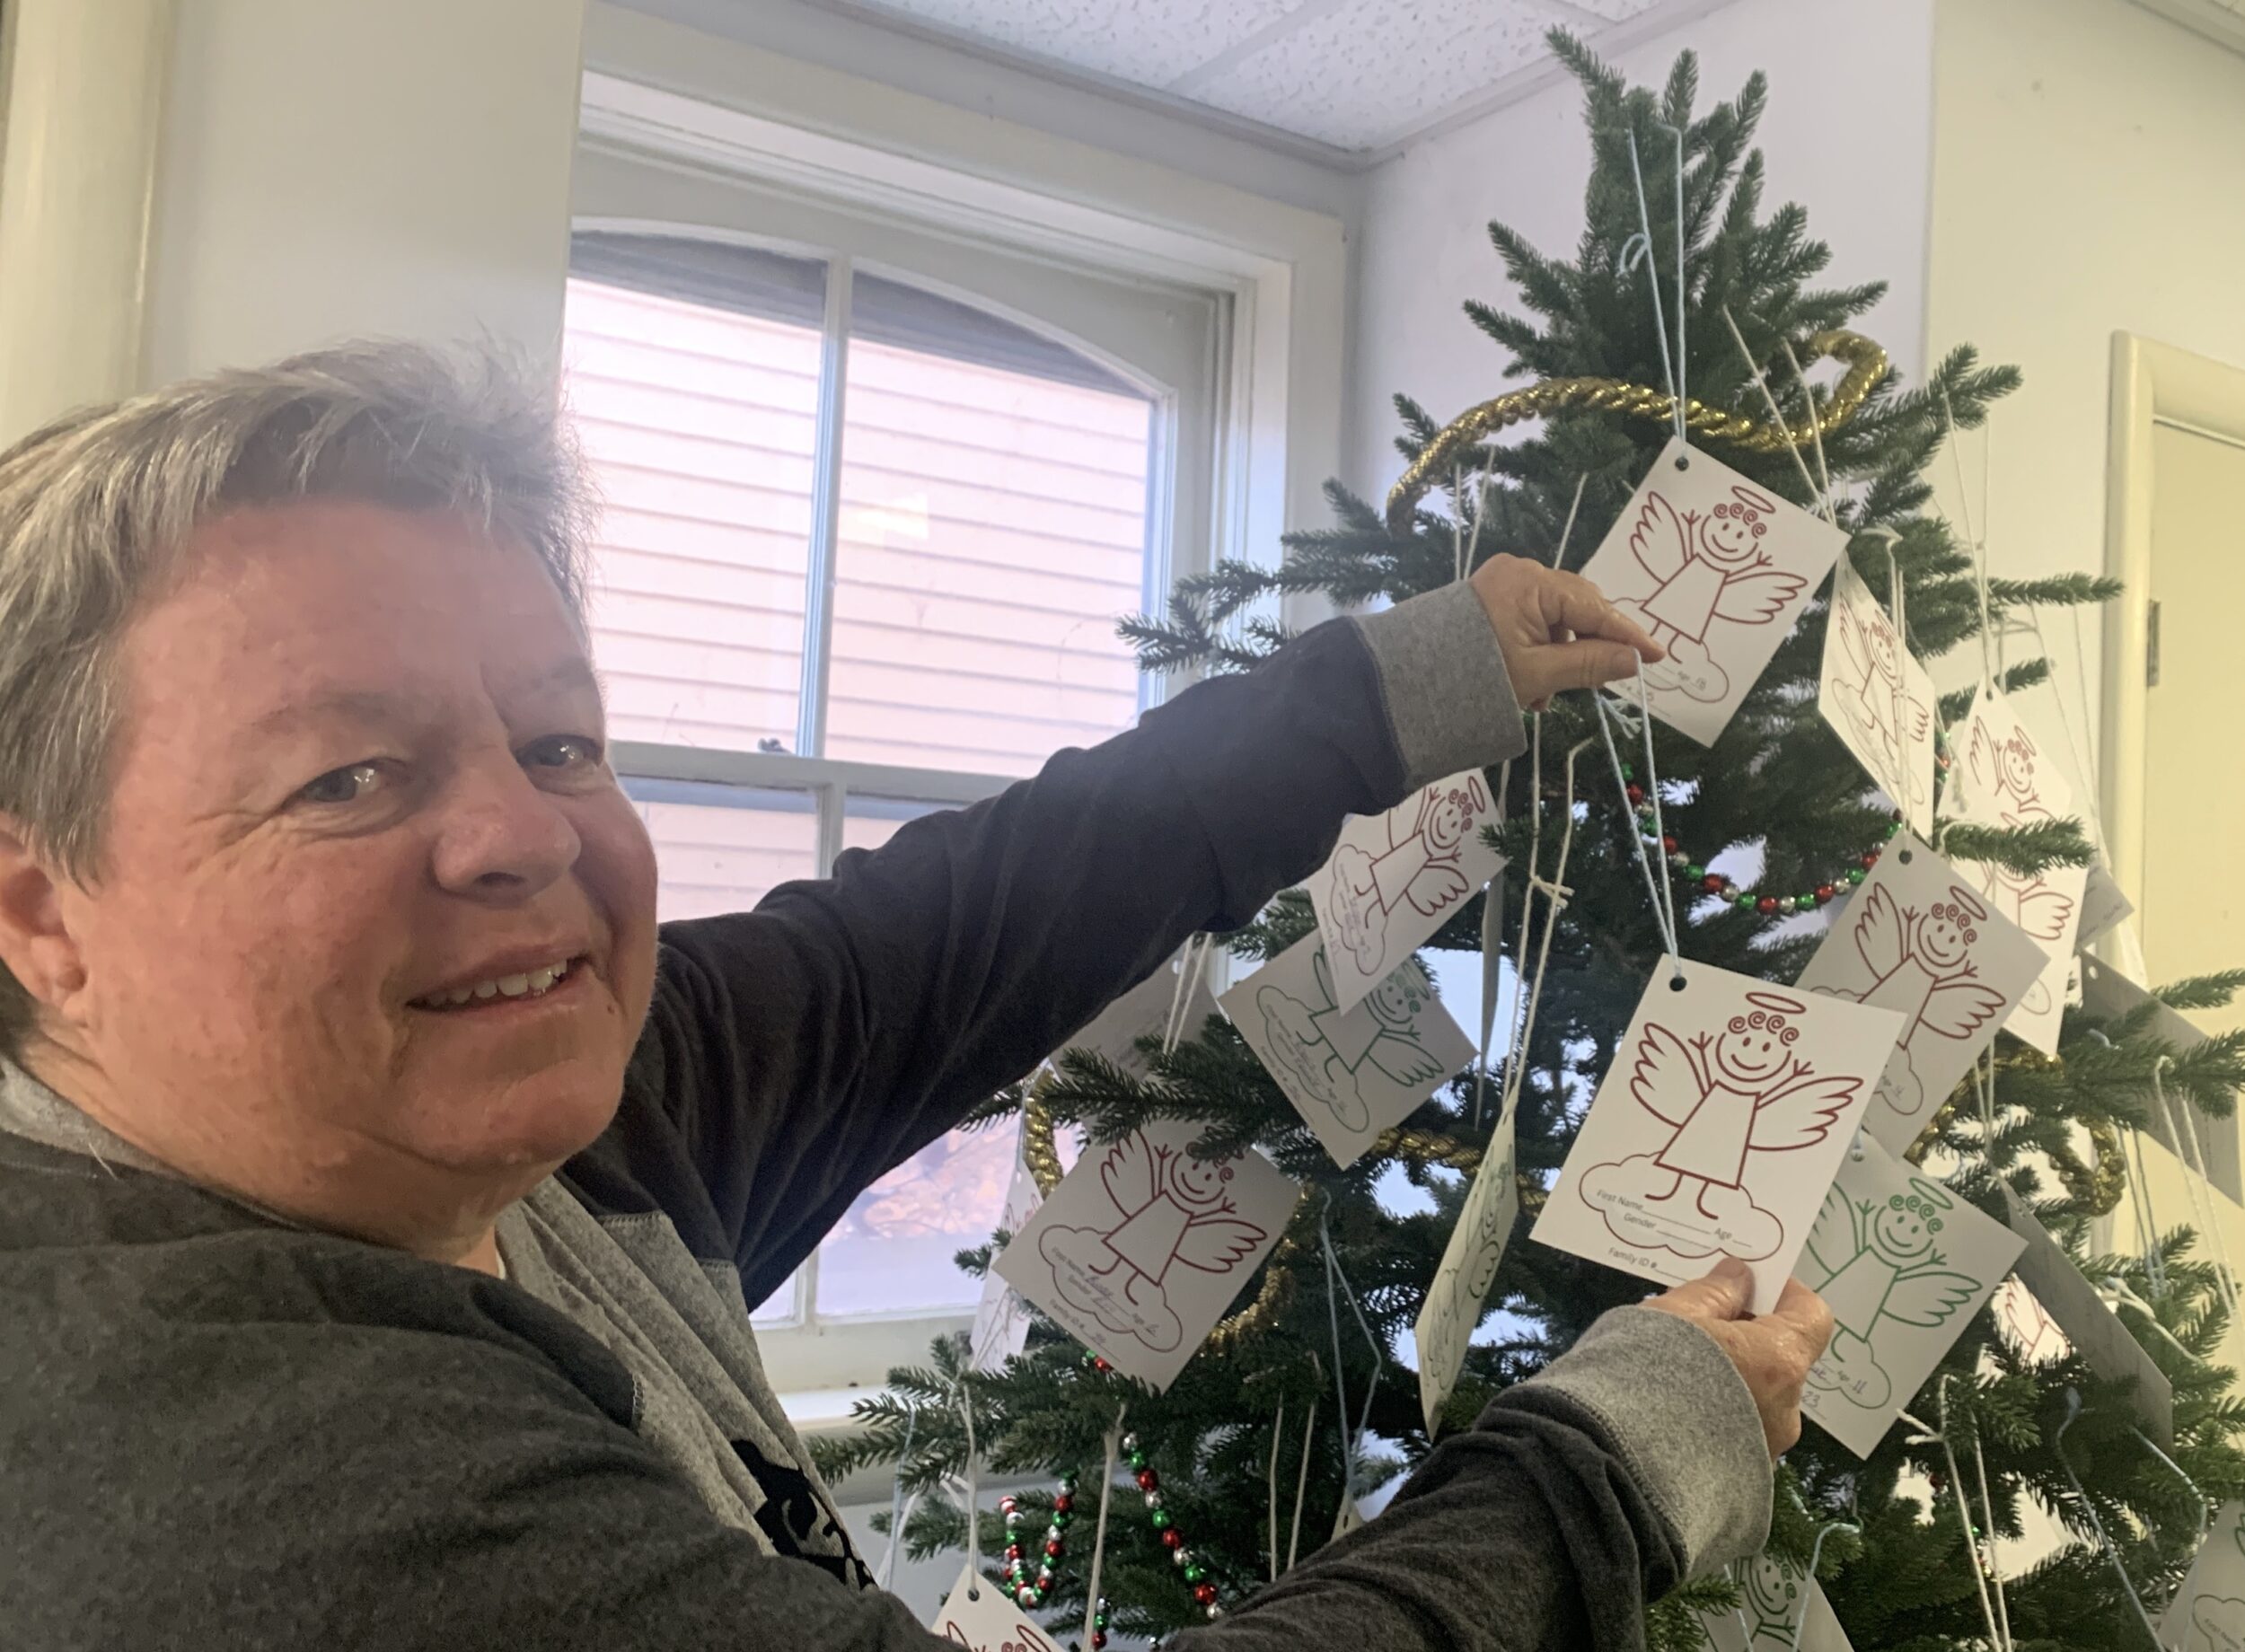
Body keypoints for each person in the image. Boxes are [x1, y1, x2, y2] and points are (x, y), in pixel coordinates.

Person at [0, 344, 1834, 1651]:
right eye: (348, 776)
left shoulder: (499, 1110)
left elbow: (940, 938)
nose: (516, 834)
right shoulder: (255, 1472)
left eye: (558, 736)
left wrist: (1378, 691)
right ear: (36, 909)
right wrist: (1603, 1460)